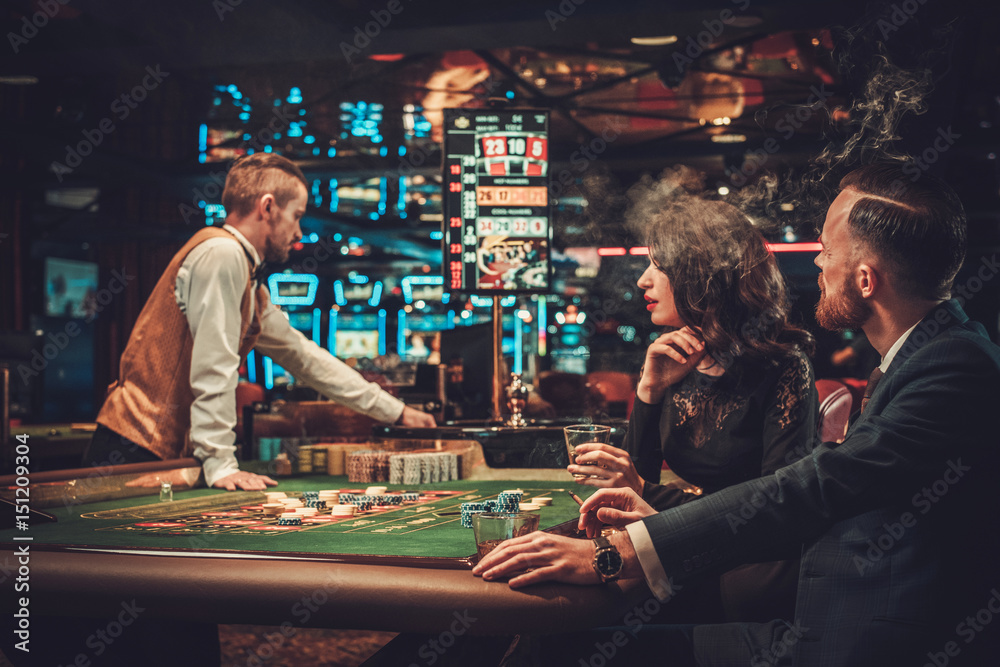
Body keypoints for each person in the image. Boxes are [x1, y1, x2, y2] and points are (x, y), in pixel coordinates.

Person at [474, 163, 1000, 666]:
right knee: (563, 641)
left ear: (866, 280)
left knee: (563, 647)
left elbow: (812, 487)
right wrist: (648, 403)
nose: (816, 265)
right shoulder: (920, 358)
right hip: (820, 622)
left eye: (826, 251)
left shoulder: (954, 366)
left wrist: (613, 556)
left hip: (853, 644)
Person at [85, 153, 436, 491]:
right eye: (296, 216)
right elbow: (215, 366)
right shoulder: (221, 255)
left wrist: (397, 413)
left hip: (162, 452)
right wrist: (221, 461)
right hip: (133, 448)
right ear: (267, 207)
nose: (299, 232)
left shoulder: (248, 278)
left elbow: (306, 358)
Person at [569, 197, 817, 623]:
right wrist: (649, 390)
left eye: (658, 266)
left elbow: (776, 512)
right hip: (683, 550)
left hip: (746, 576)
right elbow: (637, 482)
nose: (643, 281)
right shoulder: (676, 360)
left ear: (701, 275)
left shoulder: (784, 366)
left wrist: (649, 495)